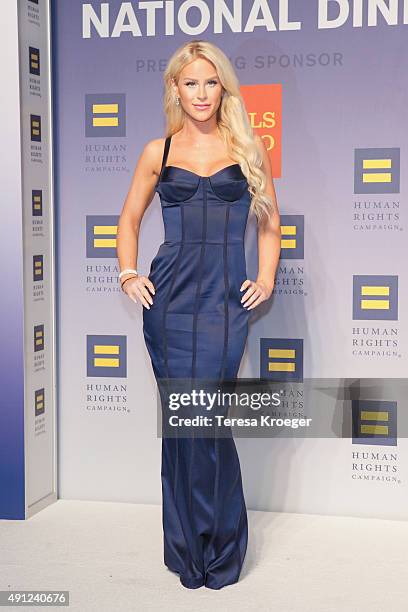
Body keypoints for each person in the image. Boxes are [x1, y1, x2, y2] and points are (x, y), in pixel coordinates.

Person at [116, 39, 281, 590]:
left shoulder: (247, 150)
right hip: (169, 303)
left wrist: (265, 278)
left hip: (224, 307)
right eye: (191, 83)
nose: (202, 92)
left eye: (211, 82)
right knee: (183, 427)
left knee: (208, 423)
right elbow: (129, 220)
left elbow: (270, 225)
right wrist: (128, 272)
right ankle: (188, 551)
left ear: (223, 87)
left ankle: (222, 550)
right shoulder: (155, 153)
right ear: (175, 89)